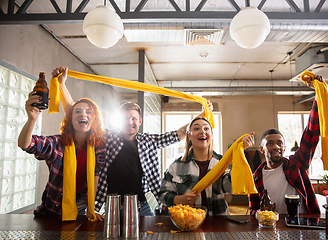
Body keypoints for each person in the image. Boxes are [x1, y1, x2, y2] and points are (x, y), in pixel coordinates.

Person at [51, 66, 213, 218]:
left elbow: (178, 134)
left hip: (140, 206)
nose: (130, 122)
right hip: (111, 205)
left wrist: (202, 115)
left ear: (140, 121)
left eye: (133, 118)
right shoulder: (108, 137)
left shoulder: (148, 140)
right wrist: (61, 84)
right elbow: (78, 116)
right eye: (125, 118)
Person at [18, 92, 106, 220]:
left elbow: (95, 175)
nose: (83, 114)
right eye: (78, 111)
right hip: (55, 204)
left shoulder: (99, 145)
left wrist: (91, 209)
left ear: (94, 119)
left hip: (82, 203)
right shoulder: (58, 143)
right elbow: (25, 144)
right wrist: (32, 119)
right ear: (70, 118)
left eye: (88, 112)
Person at [249, 75, 324, 215]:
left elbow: (311, 133)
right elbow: (252, 210)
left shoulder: (296, 164)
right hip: (272, 230)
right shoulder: (256, 177)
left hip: (302, 227)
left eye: (280, 143)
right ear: (261, 149)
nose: (276, 147)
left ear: (284, 147)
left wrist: (319, 94)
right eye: (270, 143)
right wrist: (262, 212)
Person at [159, 117, 255, 215]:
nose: (202, 132)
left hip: (219, 224)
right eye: (196, 129)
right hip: (187, 223)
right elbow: (162, 196)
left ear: (211, 136)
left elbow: (230, 187)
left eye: (206, 129)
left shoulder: (222, 163)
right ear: (189, 136)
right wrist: (179, 199)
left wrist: (240, 151)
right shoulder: (175, 167)